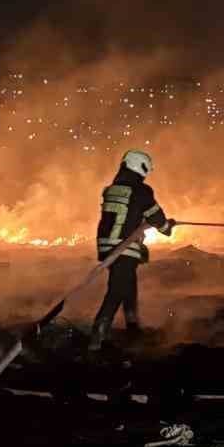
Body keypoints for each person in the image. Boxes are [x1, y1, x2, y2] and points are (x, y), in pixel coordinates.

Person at [90, 149, 174, 348]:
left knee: (128, 285)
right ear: (140, 166)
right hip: (124, 248)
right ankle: (97, 337)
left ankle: (133, 328)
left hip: (107, 247)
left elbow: (128, 215)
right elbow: (156, 217)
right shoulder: (141, 190)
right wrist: (167, 227)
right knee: (117, 290)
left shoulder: (113, 188)